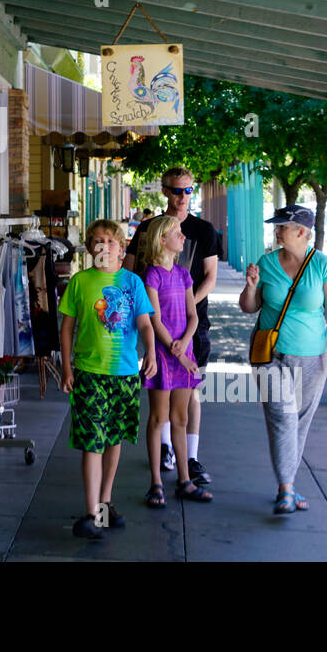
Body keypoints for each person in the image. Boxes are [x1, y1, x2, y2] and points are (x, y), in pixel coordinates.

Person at [239, 205, 327, 515]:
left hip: (314, 355)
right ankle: (286, 488)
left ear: (302, 231)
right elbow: (249, 307)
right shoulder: (267, 263)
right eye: (276, 226)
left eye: (283, 226)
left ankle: (288, 485)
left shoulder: (323, 266)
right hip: (269, 354)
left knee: (299, 422)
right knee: (283, 417)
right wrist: (250, 287)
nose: (277, 230)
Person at [59, 219, 158, 539]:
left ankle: (104, 504)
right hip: (89, 373)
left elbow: (144, 324)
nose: (105, 247)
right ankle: (90, 514)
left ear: (121, 247)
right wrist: (66, 368)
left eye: (111, 241)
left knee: (114, 440)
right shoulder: (80, 282)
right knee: (92, 443)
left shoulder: (132, 283)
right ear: (89, 249)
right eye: (98, 242)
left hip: (125, 374)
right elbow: (67, 328)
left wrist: (152, 353)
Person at [124, 167, 220, 486]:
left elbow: (209, 276)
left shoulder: (204, 230)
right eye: (177, 191)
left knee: (191, 394)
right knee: (160, 396)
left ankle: (189, 458)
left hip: (191, 323)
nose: (183, 197)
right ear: (165, 191)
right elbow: (130, 271)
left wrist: (186, 297)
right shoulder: (149, 229)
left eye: (189, 190)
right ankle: (163, 455)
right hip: (158, 324)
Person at [140, 216, 211, 507]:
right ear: (162, 240)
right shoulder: (152, 275)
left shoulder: (183, 274)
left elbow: (193, 315)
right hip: (163, 354)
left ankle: (184, 479)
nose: (183, 237)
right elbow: (154, 318)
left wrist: (186, 345)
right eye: (176, 233)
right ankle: (156, 481)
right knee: (159, 418)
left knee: (180, 418)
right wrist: (175, 350)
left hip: (184, 353)